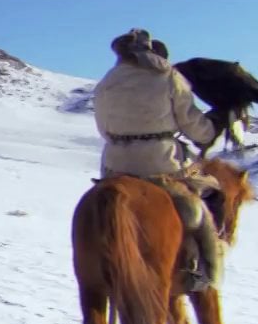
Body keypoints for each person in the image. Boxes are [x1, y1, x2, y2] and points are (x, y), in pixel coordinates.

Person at [92, 28, 229, 291]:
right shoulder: (168, 76)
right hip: (161, 162)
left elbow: (103, 129)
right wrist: (211, 128)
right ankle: (205, 272)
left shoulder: (107, 81)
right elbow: (192, 123)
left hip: (115, 165)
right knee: (212, 194)